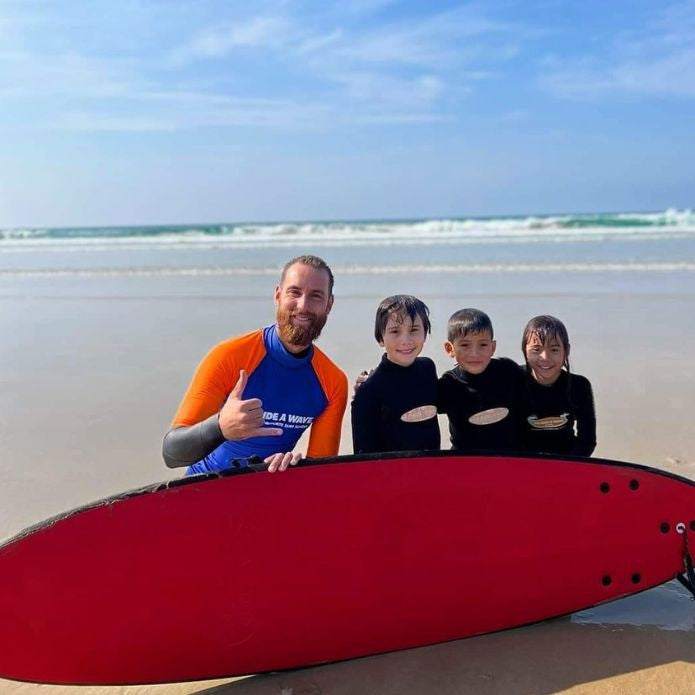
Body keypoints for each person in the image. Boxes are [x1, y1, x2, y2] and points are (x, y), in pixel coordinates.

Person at [162, 255, 348, 475]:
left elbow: (320, 476)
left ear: (329, 304)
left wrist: (295, 467)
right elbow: (171, 453)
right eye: (294, 292)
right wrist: (221, 427)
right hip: (204, 487)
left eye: (315, 296)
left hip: (266, 492)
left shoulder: (333, 383)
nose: (303, 305)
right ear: (278, 295)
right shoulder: (230, 356)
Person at [351, 295, 440, 454]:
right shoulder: (368, 390)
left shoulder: (427, 368)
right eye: (395, 331)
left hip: (431, 472)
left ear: (425, 334)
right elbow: (362, 457)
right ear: (380, 338)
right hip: (391, 476)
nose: (405, 340)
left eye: (414, 330)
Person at [437, 308, 524, 452]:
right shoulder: (449, 384)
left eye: (483, 345)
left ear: (493, 347)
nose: (474, 353)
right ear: (449, 349)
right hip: (465, 461)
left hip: (509, 460)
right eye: (465, 345)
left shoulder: (509, 372)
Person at [520, 315, 596, 456]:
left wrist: (571, 465)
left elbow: (587, 440)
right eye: (536, 350)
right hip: (523, 460)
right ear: (524, 350)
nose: (545, 358)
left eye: (554, 350)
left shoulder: (579, 386)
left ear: (566, 351)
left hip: (566, 459)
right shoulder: (513, 380)